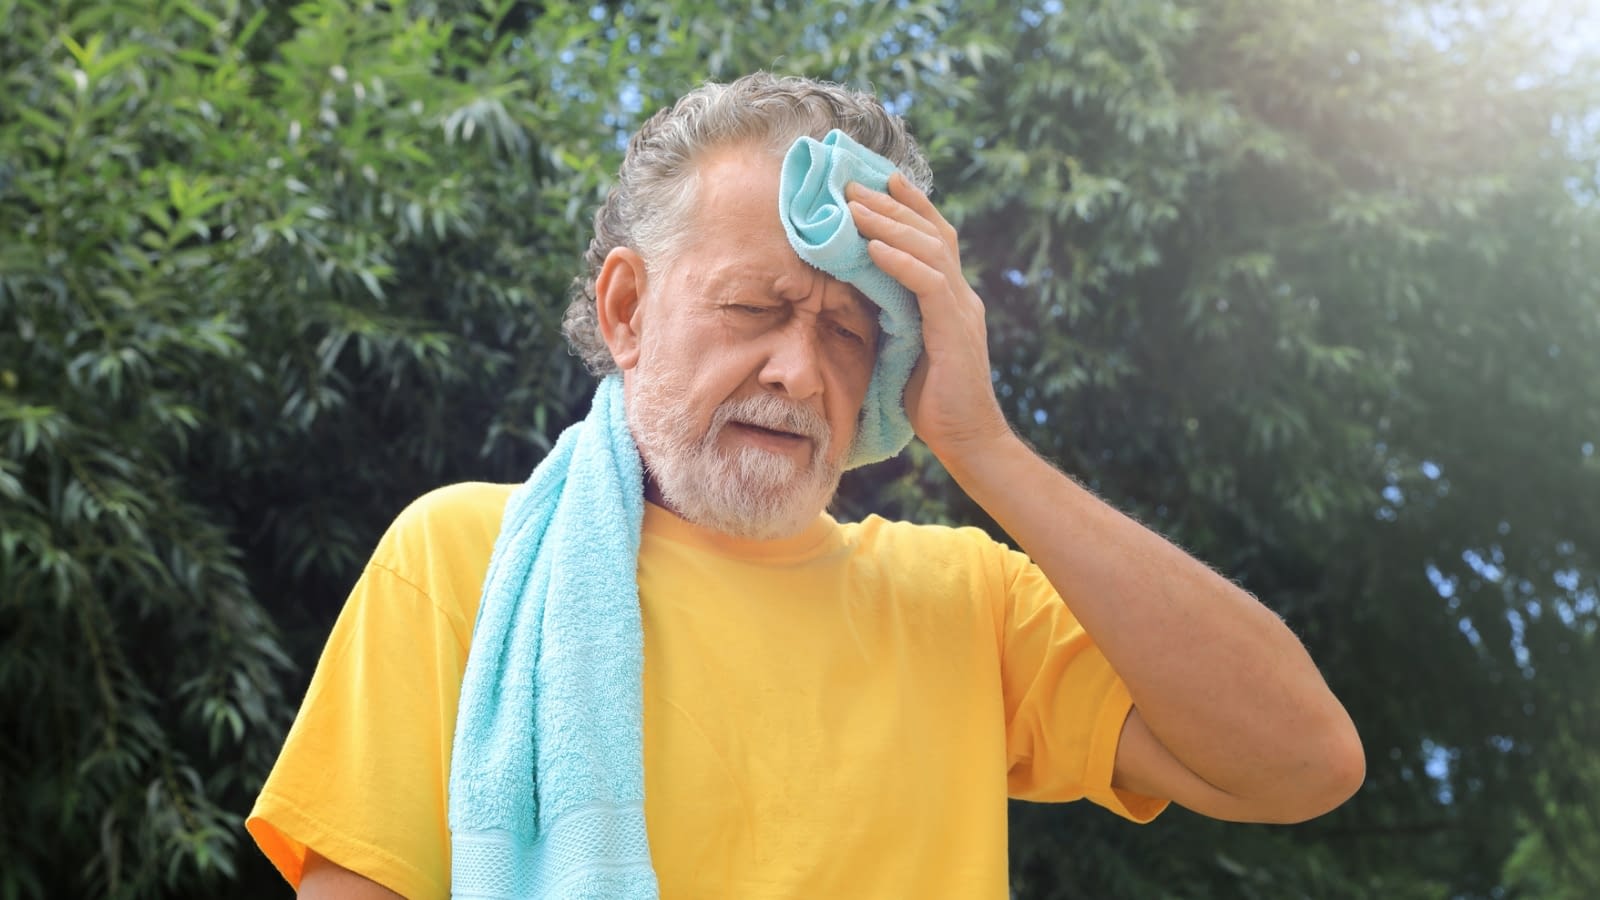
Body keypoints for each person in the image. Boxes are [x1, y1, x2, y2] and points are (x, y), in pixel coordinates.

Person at [247, 73, 1364, 899]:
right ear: (628, 310)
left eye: (847, 331)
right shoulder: (467, 560)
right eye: (752, 310)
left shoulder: (964, 601)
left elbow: (1300, 763)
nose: (797, 370)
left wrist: (985, 449)